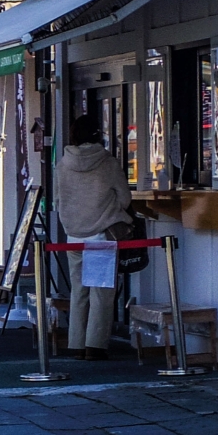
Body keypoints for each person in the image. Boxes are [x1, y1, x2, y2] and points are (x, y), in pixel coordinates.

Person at [57, 112, 132, 360]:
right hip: (101, 235)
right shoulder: (107, 162)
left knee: (79, 291)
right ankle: (95, 346)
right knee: (101, 291)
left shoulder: (62, 164)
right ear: (97, 134)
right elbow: (125, 198)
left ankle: (76, 344)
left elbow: (58, 201)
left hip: (73, 236)